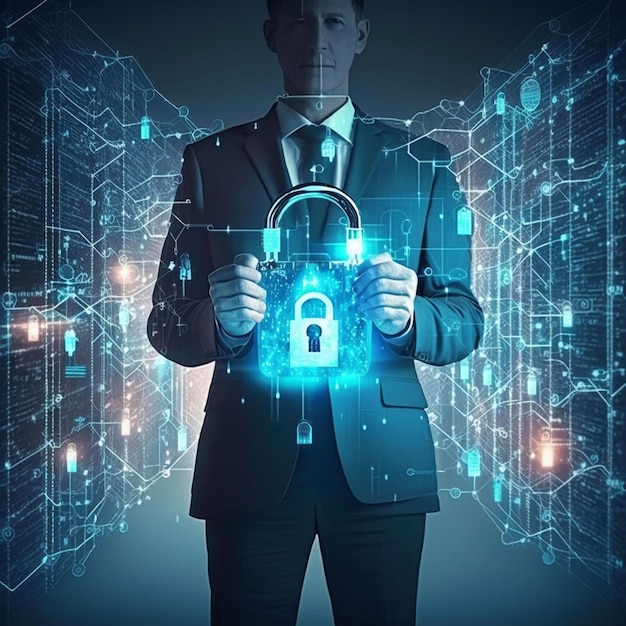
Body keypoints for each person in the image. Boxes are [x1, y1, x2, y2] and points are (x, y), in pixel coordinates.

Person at [147, 0, 484, 624]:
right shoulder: (210, 162)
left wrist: (410, 318)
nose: (317, 38)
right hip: (249, 461)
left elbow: (465, 315)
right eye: (299, 19)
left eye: (333, 20)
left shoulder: (425, 163)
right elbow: (166, 319)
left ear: (361, 33)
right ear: (272, 33)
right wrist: (217, 322)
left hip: (381, 464)